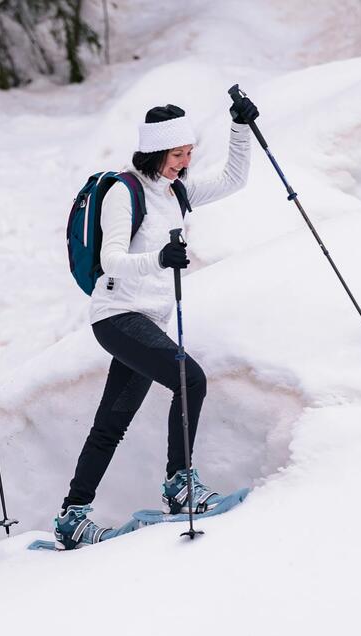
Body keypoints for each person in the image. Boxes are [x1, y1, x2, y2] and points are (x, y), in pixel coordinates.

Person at [53, 93, 258, 549]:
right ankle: (179, 485)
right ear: (155, 151)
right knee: (190, 378)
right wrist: (161, 259)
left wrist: (239, 128)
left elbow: (233, 179)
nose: (184, 164)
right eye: (177, 155)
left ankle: (73, 516)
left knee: (113, 420)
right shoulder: (123, 193)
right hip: (118, 315)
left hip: (148, 321)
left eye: (188, 155)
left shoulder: (176, 192)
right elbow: (111, 260)